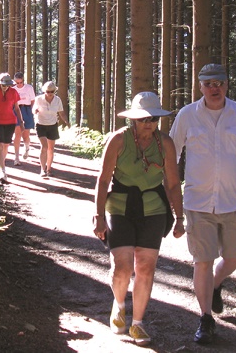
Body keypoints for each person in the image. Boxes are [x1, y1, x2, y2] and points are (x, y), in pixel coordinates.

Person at [169, 63, 236, 344]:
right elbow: (171, 154)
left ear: (226, 85)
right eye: (208, 83)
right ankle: (205, 319)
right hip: (198, 202)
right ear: (200, 86)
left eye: (219, 83)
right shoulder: (187, 115)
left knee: (235, 257)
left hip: (233, 201)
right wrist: (170, 193)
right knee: (203, 262)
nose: (214, 88)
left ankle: (216, 286)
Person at [92, 92, 185, 346]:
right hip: (119, 207)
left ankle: (138, 323)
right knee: (122, 265)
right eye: (144, 118)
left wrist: (179, 217)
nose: (149, 123)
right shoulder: (118, 140)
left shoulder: (165, 143)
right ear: (134, 119)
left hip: (153, 209)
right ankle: (119, 305)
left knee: (146, 267)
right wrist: (98, 216)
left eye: (154, 118)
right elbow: (102, 180)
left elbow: (173, 183)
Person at [0, 73, 24, 184]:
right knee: (0, 145)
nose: (6, 87)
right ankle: (3, 171)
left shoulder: (13, 92)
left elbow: (16, 108)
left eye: (8, 85)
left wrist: (21, 122)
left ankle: (0, 163)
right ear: (0, 83)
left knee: (6, 145)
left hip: (10, 122)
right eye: (4, 85)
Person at [33, 81, 70, 178]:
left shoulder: (57, 100)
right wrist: (35, 111)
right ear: (44, 91)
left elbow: (61, 113)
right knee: (44, 147)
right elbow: (33, 109)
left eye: (52, 91)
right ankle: (42, 169)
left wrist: (66, 121)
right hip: (40, 124)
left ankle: (49, 169)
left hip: (53, 125)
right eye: (48, 91)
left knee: (51, 149)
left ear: (55, 91)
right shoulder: (38, 99)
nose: (49, 93)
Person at [12, 72, 36, 166]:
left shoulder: (29, 88)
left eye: (20, 82)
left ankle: (26, 147)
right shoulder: (13, 89)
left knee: (26, 135)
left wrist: (30, 110)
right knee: (17, 134)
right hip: (16, 110)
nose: (19, 84)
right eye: (17, 83)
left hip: (26, 110)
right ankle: (16, 157)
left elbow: (33, 100)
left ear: (23, 81)